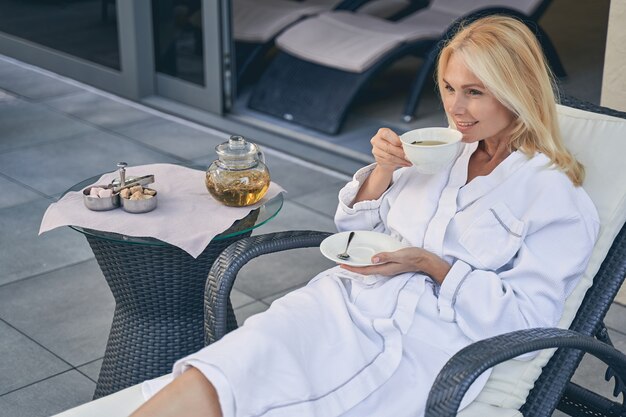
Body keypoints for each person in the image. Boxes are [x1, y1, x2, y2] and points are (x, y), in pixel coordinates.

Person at [131, 15, 599, 417]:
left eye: (475, 92)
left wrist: (431, 265)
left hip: (427, 339)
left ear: (516, 92)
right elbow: (354, 234)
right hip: (340, 301)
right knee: (238, 360)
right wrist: (382, 171)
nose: (455, 109)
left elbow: (530, 319)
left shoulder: (554, 196)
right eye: (449, 88)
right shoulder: (438, 154)